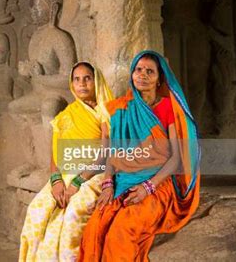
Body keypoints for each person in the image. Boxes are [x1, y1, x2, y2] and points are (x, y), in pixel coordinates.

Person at [80, 50, 200, 261]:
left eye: (150, 71)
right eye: (138, 70)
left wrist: (148, 188)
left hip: (158, 184)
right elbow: (112, 153)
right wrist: (107, 182)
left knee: (121, 231)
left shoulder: (167, 108)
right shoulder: (121, 109)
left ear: (159, 79)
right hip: (123, 181)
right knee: (94, 229)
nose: (142, 75)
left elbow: (175, 159)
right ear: (132, 74)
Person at [20, 62, 114, 261]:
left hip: (93, 174)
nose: (82, 84)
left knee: (72, 214)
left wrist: (78, 183)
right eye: (77, 79)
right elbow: (56, 154)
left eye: (87, 78)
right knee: (36, 213)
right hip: (65, 174)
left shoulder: (105, 112)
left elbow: (105, 155)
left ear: (96, 80)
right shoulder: (67, 115)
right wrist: (56, 181)